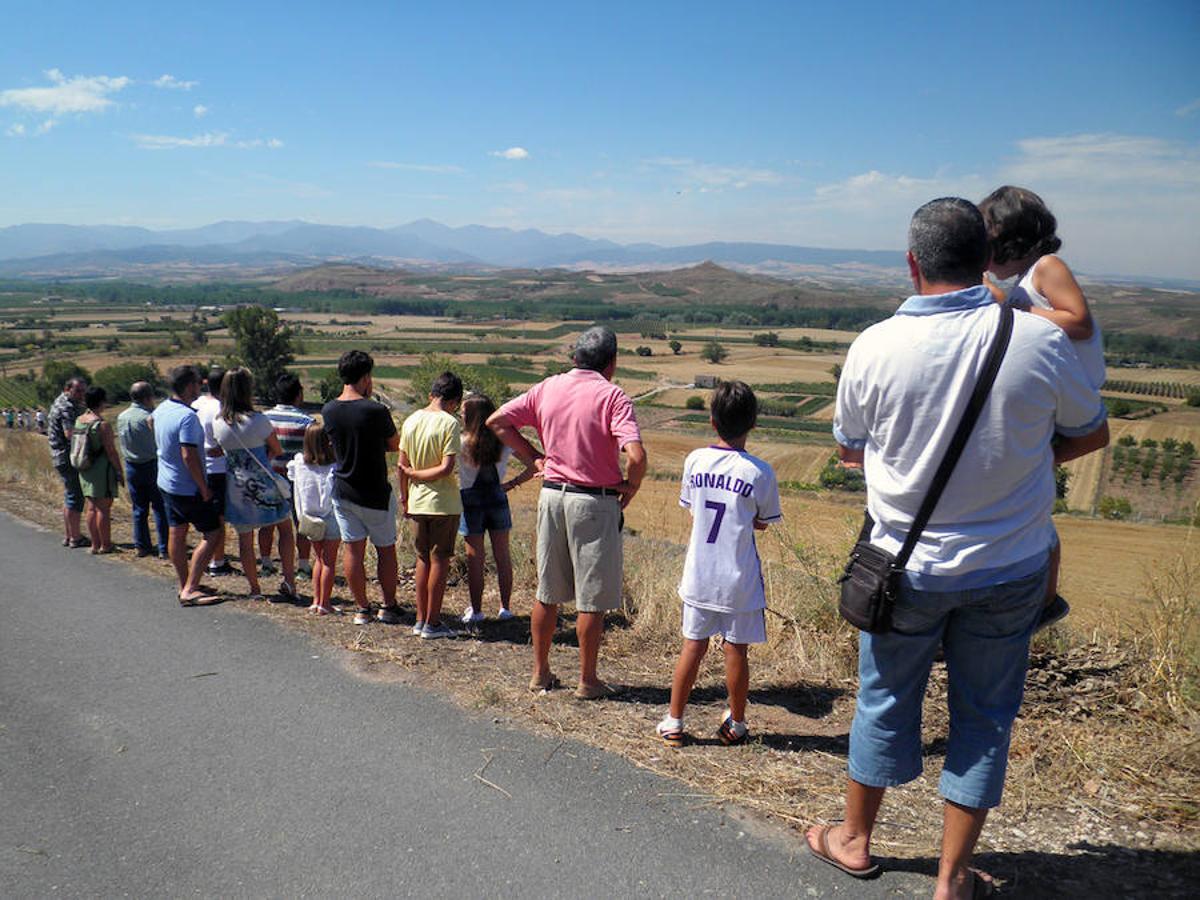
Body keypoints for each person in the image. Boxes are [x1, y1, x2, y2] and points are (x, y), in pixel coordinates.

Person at [806, 198, 1108, 900]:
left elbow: (850, 449)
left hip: (903, 570)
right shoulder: (1038, 342)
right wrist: (1026, 461)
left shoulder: (873, 346)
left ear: (912, 264)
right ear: (987, 262)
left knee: (883, 700)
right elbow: (1091, 431)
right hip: (1011, 569)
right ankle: (951, 878)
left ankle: (853, 840)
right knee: (985, 716)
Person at [488, 326, 646, 699]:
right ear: (612, 363)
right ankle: (587, 680)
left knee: (548, 590)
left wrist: (533, 458)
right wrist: (631, 487)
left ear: (575, 359)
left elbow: (497, 422)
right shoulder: (613, 396)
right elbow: (636, 456)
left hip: (552, 495)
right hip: (593, 501)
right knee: (592, 598)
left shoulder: (548, 387)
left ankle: (540, 673)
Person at [980, 185, 1106, 622]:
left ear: (1007, 237)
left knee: (1028, 503)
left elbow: (1079, 322)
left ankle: (1042, 599)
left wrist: (1007, 309)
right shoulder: (1024, 279)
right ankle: (1039, 599)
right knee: (1029, 499)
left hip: (1066, 397)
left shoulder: (1047, 267)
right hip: (1052, 398)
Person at [655, 381, 782, 748]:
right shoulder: (760, 472)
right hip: (739, 579)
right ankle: (737, 723)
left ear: (712, 421)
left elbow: (694, 507)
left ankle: (674, 720)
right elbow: (762, 520)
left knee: (691, 646)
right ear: (754, 423)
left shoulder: (694, 460)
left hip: (699, 574)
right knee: (736, 650)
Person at [322, 350, 401, 626]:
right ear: (366, 377)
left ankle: (362, 608)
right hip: (375, 491)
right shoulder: (376, 411)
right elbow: (394, 445)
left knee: (352, 551)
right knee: (385, 550)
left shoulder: (329, 410)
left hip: (343, 490)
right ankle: (388, 606)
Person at [211, 367, 298, 602]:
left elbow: (217, 451)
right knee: (285, 529)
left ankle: (254, 588)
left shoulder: (218, 423)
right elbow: (277, 449)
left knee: (245, 539)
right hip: (263, 484)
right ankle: (289, 580)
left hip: (236, 488)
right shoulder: (259, 420)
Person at [456, 392, 536, 625]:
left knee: (475, 559)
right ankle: (505, 607)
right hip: (498, 497)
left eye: (463, 412)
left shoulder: (461, 441)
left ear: (470, 416)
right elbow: (533, 466)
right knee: (503, 556)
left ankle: (477, 610)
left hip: (469, 500)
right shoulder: (504, 441)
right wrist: (512, 484)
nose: (460, 415)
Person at [398, 371, 464, 640]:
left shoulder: (411, 420)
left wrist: (405, 496)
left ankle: (419, 619)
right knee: (440, 560)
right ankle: (433, 622)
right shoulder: (450, 423)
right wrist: (417, 475)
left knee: (422, 559)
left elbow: (402, 467)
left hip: (416, 501)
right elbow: (446, 468)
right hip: (442, 503)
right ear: (455, 401)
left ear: (431, 395)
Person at [155, 365, 223, 606]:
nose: (200, 387)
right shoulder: (188, 417)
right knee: (213, 533)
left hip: (166, 481)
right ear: (188, 386)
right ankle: (191, 588)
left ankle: (183, 582)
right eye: (197, 383)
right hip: (186, 486)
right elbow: (188, 455)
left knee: (177, 531)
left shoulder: (162, 408)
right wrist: (203, 487)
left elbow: (151, 425)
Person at [260, 373, 315, 578]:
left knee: (268, 523)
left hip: (269, 477)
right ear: (298, 395)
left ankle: (266, 563)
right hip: (297, 481)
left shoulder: (264, 419)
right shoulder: (307, 422)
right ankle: (302, 566)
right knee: (301, 522)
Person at [289, 423, 340, 615]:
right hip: (330, 517)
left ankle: (316, 600)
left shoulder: (299, 463)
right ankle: (325, 603)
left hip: (309, 516)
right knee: (329, 562)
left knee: (318, 559)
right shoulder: (334, 466)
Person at [117, 381, 170, 558]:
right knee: (160, 508)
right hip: (151, 464)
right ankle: (164, 548)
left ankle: (141, 546)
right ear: (148, 397)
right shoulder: (150, 417)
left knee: (139, 509)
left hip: (131, 465)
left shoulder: (122, 416)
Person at [74, 385, 125, 554]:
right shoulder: (102, 425)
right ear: (101, 401)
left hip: (85, 468)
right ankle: (105, 544)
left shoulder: (79, 420)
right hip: (101, 470)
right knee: (103, 508)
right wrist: (119, 471)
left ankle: (94, 544)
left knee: (91, 507)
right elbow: (111, 451)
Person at [193, 366, 233, 577]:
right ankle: (217, 561)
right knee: (218, 518)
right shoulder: (222, 408)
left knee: (207, 516)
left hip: (198, 466)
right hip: (218, 469)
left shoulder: (196, 404)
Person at [47, 376, 88, 548]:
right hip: (66, 456)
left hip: (59, 455)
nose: (81, 394)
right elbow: (70, 434)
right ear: (67, 389)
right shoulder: (67, 407)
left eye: (83, 391)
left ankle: (69, 534)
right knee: (75, 497)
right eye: (78, 390)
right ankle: (75, 538)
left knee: (69, 496)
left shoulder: (60, 401)